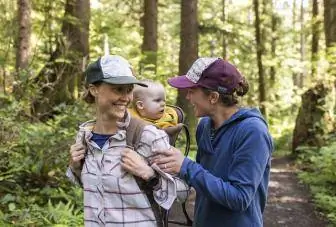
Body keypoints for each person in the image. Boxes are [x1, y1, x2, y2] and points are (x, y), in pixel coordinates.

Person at [66, 55, 188, 227]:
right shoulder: (84, 137)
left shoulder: (146, 136)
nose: (126, 97)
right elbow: (98, 191)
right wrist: (76, 168)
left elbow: (183, 192)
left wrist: (150, 176)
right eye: (118, 89)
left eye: (129, 89)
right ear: (94, 90)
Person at [152, 57, 274, 227]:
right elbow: (203, 178)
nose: (187, 97)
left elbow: (240, 198)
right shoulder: (205, 126)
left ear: (213, 97)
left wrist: (186, 166)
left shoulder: (253, 132)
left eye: (192, 91)